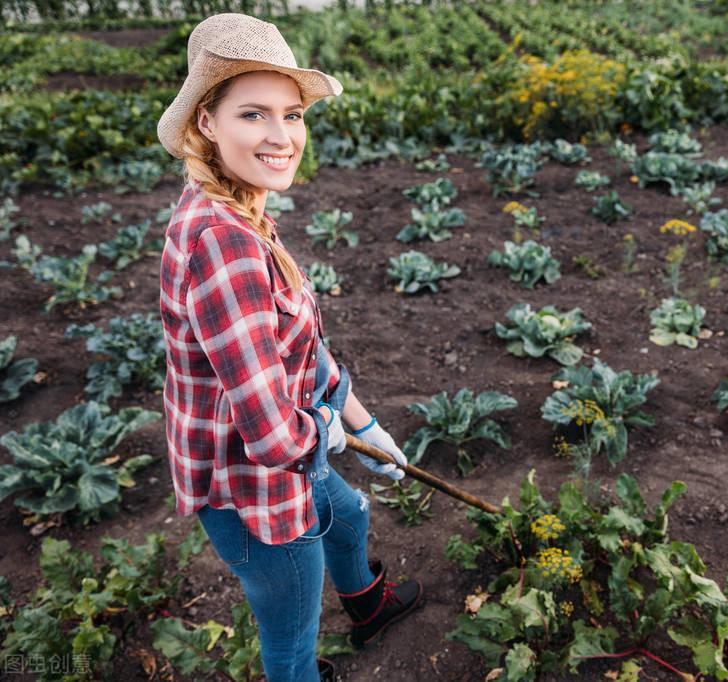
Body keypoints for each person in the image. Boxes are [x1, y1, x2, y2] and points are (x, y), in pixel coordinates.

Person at [156, 13, 423, 681]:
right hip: (255, 491)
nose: (282, 136)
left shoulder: (235, 206)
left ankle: (367, 605)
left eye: (293, 114)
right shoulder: (224, 244)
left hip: (286, 458)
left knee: (350, 512)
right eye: (254, 114)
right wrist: (327, 431)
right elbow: (276, 438)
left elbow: (302, 346)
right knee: (291, 629)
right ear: (207, 123)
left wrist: (363, 422)